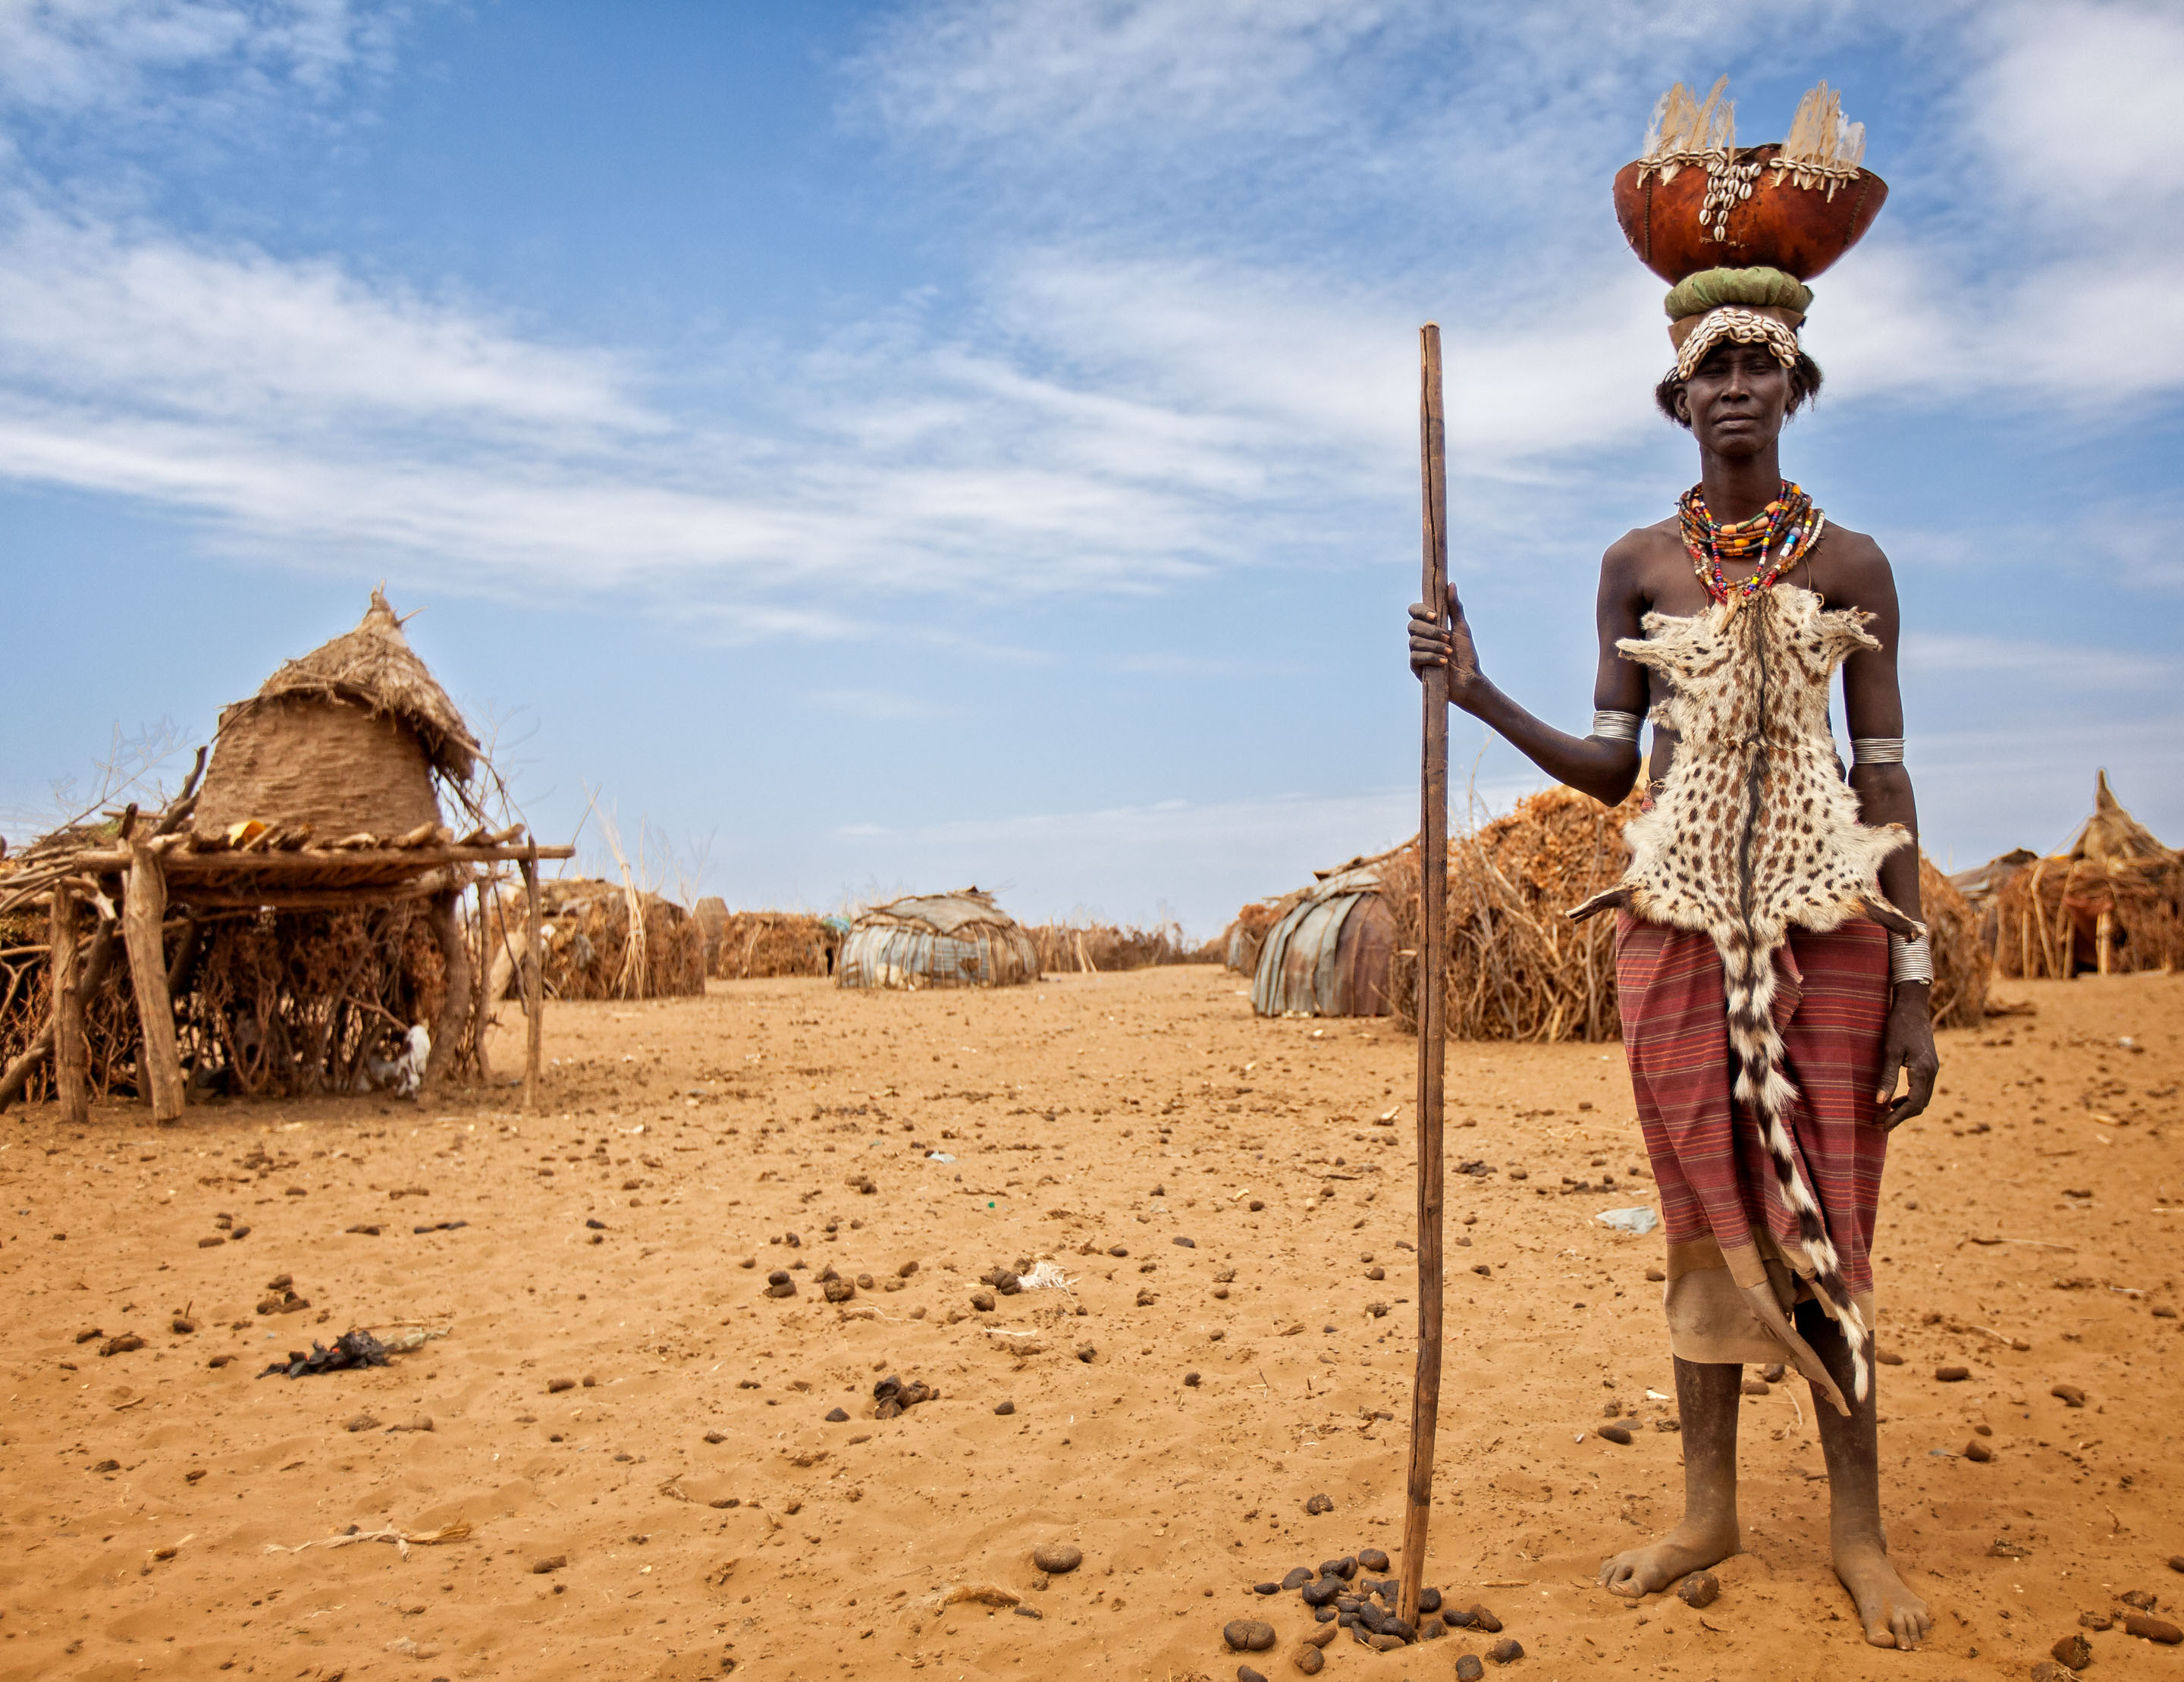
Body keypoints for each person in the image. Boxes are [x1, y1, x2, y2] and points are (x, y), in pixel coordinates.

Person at [1407, 269, 1939, 1646]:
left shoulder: (1855, 567)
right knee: (1705, 1215)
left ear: (1795, 389)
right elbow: (1607, 763)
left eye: (1763, 366)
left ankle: (1858, 1529)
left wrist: (1917, 982)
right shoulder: (1638, 565)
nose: (1737, 388)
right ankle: (1708, 1509)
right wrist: (1475, 689)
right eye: (1714, 371)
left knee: (1832, 1221)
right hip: (1678, 929)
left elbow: (1884, 780)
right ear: (1679, 398)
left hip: (1830, 932)